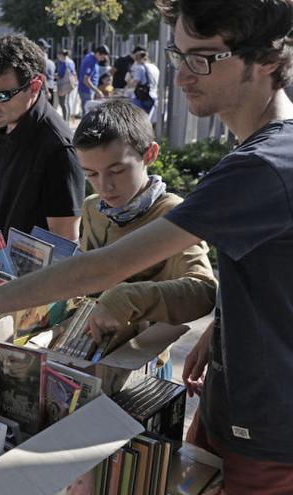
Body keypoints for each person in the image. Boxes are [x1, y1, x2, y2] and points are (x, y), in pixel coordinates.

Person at [0, 1, 293, 492]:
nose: (183, 76)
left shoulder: (265, 164)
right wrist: (223, 330)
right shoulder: (263, 152)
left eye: (203, 58)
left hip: (270, 428)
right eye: (179, 55)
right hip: (234, 397)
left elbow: (106, 268)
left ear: (269, 59)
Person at [75, 100, 216, 379]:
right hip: (95, 354)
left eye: (116, 171)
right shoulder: (93, 207)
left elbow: (203, 291)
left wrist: (126, 298)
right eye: (91, 174)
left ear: (149, 154)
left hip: (145, 364)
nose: (105, 186)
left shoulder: (174, 215)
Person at [0, 35, 85, 240]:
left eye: (1, 95)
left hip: (30, 273)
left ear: (35, 85)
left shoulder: (58, 148)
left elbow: (65, 240)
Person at [127, 50, 161, 119]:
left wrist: (127, 86)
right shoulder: (154, 67)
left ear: (137, 59)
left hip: (142, 97)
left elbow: (135, 82)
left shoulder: (140, 67)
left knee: (137, 119)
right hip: (153, 96)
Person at [78, 45, 110, 117]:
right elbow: (86, 80)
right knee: (88, 114)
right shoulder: (90, 61)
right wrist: (97, 91)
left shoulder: (91, 57)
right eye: (102, 57)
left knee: (88, 113)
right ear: (98, 53)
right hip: (86, 91)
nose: (102, 60)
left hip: (88, 90)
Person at [56, 50, 77, 123]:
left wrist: (54, 76)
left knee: (63, 103)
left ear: (61, 55)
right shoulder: (71, 62)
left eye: (58, 55)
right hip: (70, 84)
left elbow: (60, 75)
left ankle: (65, 121)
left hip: (63, 85)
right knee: (67, 103)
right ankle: (67, 120)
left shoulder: (64, 63)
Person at [38, 39, 57, 107]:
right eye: (45, 48)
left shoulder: (41, 62)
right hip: (49, 87)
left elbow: (43, 77)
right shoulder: (51, 63)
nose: (46, 50)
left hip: (44, 89)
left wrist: (47, 91)